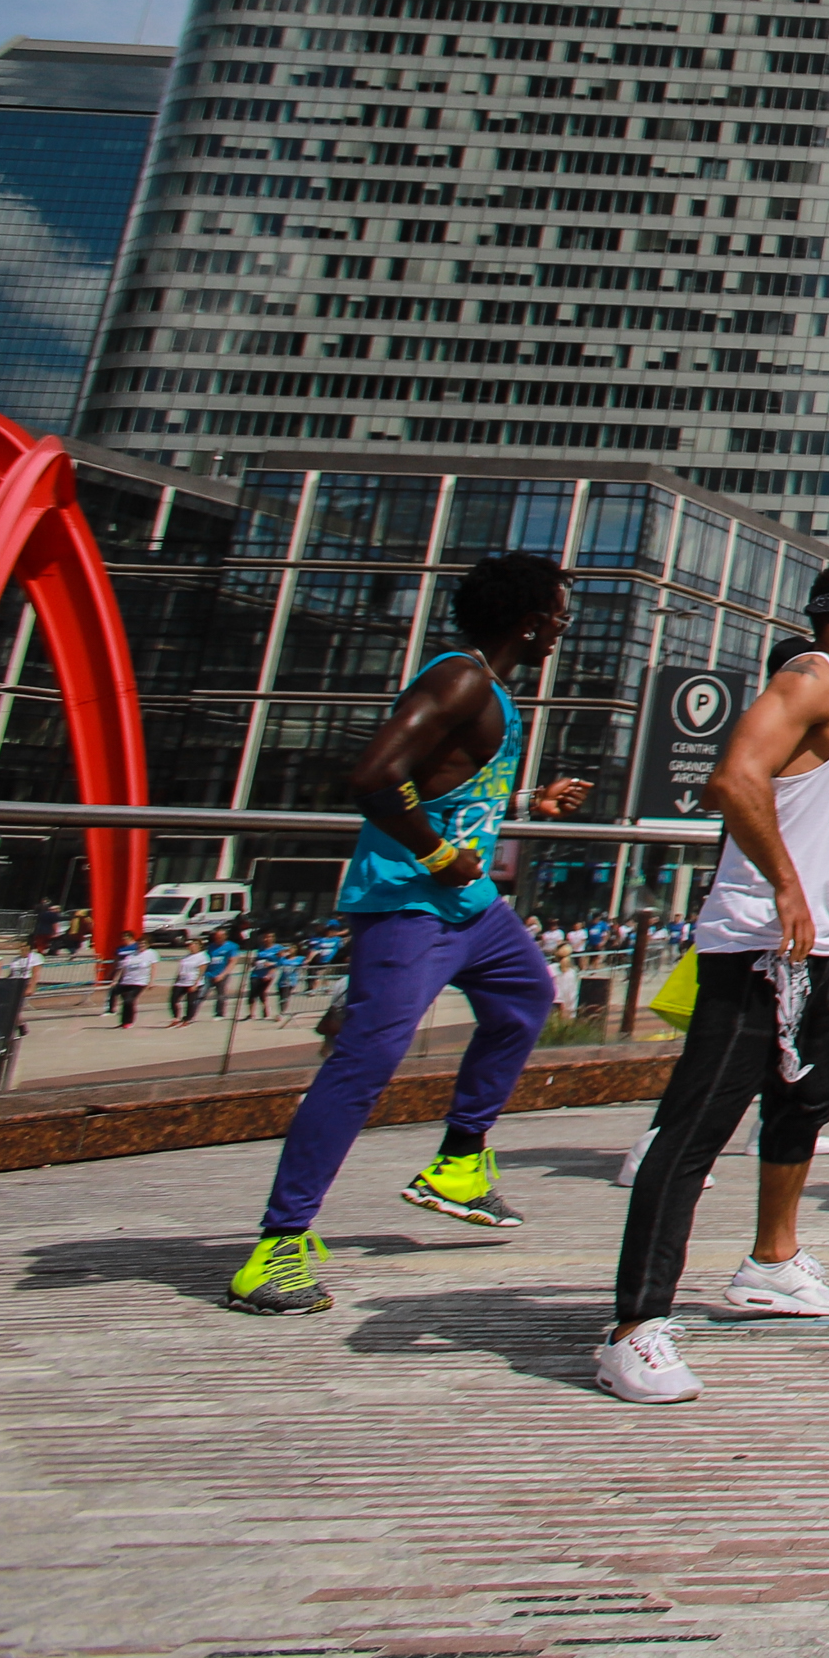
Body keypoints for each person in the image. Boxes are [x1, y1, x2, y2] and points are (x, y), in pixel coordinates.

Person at [595, 559, 829, 1403]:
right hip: (759, 946)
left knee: (805, 1102)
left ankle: (772, 1260)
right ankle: (634, 1326)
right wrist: (785, 884)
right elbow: (733, 778)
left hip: (817, 948)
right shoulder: (808, 675)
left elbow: (823, 819)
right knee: (694, 1130)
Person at [225, 551, 594, 1314]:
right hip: (409, 904)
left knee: (527, 996)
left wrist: (530, 798)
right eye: (558, 613)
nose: (562, 627)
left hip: (469, 908)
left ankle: (459, 1162)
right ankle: (277, 1246)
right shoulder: (458, 679)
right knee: (367, 1061)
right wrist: (437, 854)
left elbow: (445, 779)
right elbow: (372, 779)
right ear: (530, 620)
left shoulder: (489, 690)